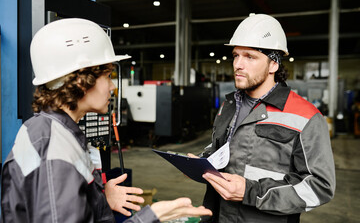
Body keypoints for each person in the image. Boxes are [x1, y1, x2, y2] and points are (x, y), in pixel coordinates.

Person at [0, 18, 212, 223]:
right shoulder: (56, 152)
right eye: (107, 76)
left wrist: (99, 198)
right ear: (81, 80)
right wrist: (152, 217)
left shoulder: (46, 129)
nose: (112, 87)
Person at [194, 14, 336, 222]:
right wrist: (202, 161)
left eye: (250, 57)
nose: (238, 65)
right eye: (236, 55)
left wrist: (251, 192)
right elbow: (222, 147)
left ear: (273, 65)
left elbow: (320, 187)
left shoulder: (305, 116)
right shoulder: (229, 105)